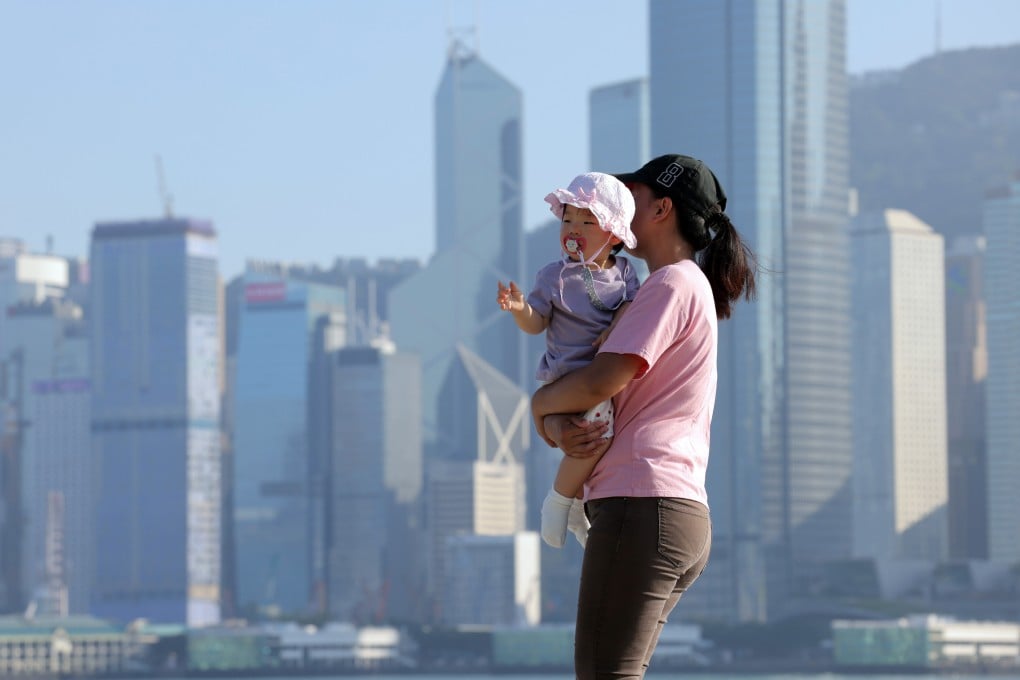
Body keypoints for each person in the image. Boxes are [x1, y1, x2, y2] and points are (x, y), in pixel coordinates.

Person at [530, 154, 757, 679]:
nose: (614, 203)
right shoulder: (657, 289)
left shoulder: (671, 284)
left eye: (629, 194)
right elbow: (597, 404)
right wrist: (555, 424)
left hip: (644, 505)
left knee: (604, 674)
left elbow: (597, 382)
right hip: (665, 508)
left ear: (661, 208)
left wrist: (539, 406)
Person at [496, 171, 639, 549]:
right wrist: (519, 308)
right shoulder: (554, 277)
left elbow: (631, 306)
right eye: (567, 219)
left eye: (587, 221)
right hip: (565, 379)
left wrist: (617, 327)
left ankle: (576, 504)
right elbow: (537, 322)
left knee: (586, 441)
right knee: (596, 438)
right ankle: (559, 501)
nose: (573, 228)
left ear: (613, 235)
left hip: (598, 380)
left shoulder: (625, 274)